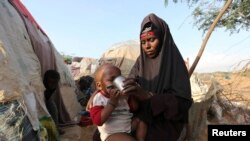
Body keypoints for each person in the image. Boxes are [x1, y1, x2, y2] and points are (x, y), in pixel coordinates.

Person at [121, 13, 193, 141]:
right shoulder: (141, 62)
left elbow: (183, 104)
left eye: (151, 40)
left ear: (162, 38)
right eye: (143, 42)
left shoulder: (175, 63)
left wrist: (149, 96)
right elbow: (129, 81)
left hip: (167, 120)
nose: (147, 46)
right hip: (141, 114)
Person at [89, 64, 146, 141]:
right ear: (99, 86)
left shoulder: (123, 95)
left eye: (119, 78)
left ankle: (140, 139)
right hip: (112, 133)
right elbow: (98, 121)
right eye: (112, 80)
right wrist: (112, 103)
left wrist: (132, 95)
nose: (117, 83)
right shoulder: (99, 99)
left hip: (128, 127)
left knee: (142, 121)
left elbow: (135, 108)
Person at [43, 69, 64, 135]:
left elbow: (48, 97)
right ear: (46, 81)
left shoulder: (54, 86)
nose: (53, 85)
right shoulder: (42, 86)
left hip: (47, 98)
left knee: (54, 109)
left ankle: (56, 128)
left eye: (55, 83)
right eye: (51, 82)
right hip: (41, 98)